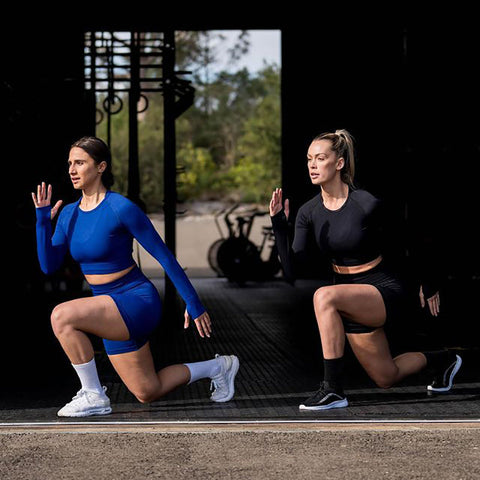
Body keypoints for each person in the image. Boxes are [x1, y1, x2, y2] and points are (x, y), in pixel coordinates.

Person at [32, 136, 239, 417]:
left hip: (135, 301)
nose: (72, 169)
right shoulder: (69, 214)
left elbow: (164, 256)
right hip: (107, 309)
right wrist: (43, 221)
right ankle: (218, 367)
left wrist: (194, 302)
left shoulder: (121, 208)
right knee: (147, 390)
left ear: (101, 166)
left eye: (80, 162)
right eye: (70, 163)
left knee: (61, 316)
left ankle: (93, 394)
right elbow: (48, 265)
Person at [269, 129, 462, 411]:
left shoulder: (366, 204)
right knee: (386, 376)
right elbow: (290, 270)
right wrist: (279, 227)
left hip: (384, 289)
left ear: (339, 163)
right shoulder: (308, 212)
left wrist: (429, 282)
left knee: (324, 296)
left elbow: (412, 241)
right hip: (348, 298)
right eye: (309, 159)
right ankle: (444, 360)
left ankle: (332, 390)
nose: (312, 165)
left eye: (320, 158)